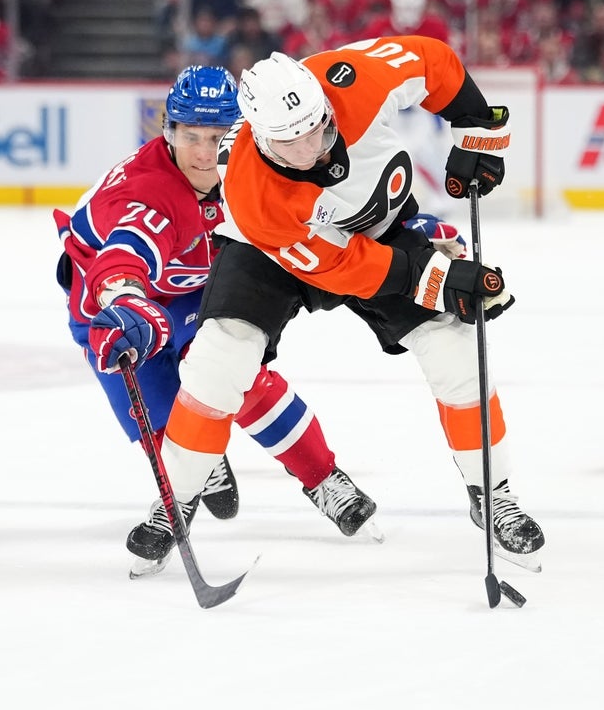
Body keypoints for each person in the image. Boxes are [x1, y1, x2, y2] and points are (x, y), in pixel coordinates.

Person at [148, 36, 545, 572]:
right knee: (220, 358)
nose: (312, 149)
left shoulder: (352, 80)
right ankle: (175, 499)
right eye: (291, 143)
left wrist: (476, 129)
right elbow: (344, 267)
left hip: (379, 229)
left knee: (456, 351)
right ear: (260, 137)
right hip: (273, 254)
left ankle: (492, 493)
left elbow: (433, 62)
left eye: (318, 129)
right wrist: (441, 280)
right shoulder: (253, 191)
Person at [53, 66, 382, 578]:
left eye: (217, 137)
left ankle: (324, 480)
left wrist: (412, 235)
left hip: (194, 290)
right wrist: (124, 299)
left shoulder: (257, 163)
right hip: (116, 308)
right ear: (169, 132)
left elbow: (338, 209)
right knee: (159, 421)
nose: (205, 154)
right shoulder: (149, 192)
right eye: (191, 137)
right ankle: (181, 494)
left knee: (241, 378)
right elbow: (125, 251)